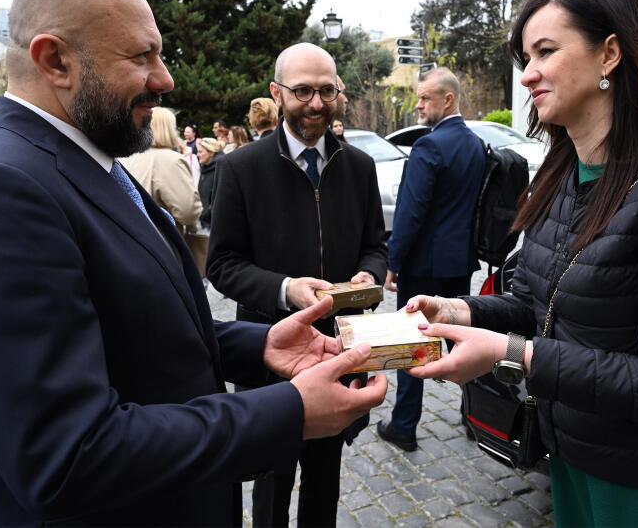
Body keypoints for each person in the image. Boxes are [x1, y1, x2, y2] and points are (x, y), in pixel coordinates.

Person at [0, 0, 387, 527]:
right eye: (141, 56)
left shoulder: (82, 162)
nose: (165, 79)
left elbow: (133, 327)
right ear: (55, 61)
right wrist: (289, 412)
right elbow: (67, 455)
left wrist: (260, 346)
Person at [405, 0, 638, 527]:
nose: (528, 74)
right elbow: (537, 305)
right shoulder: (564, 174)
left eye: (546, 51)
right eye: (526, 57)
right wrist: (455, 311)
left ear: (609, 55)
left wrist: (510, 353)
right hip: (575, 458)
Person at [207, 42, 388, 528]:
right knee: (270, 484)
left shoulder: (360, 166)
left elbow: (376, 245)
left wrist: (370, 274)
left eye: (327, 91)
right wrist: (286, 288)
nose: (316, 103)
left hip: (338, 351)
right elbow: (222, 264)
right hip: (271, 354)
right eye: (303, 90)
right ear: (277, 92)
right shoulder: (240, 167)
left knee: (325, 480)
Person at [376, 67, 485, 452]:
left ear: (448, 99)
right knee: (460, 340)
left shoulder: (429, 146)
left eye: (425, 98)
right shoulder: (475, 144)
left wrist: (393, 261)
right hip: (459, 263)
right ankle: (476, 417)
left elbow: (411, 212)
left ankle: (404, 425)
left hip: (422, 266)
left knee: (412, 342)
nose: (418, 105)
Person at [121, 105, 203, 252]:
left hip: (126, 243)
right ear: (169, 129)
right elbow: (188, 212)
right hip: (161, 246)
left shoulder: (124, 157)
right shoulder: (171, 160)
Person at [197, 137, 224, 233]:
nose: (197, 154)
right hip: (204, 221)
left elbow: (219, 199)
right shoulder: (205, 167)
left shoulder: (220, 169)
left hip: (213, 225)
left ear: (211, 153)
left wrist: (204, 214)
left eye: (200, 152)